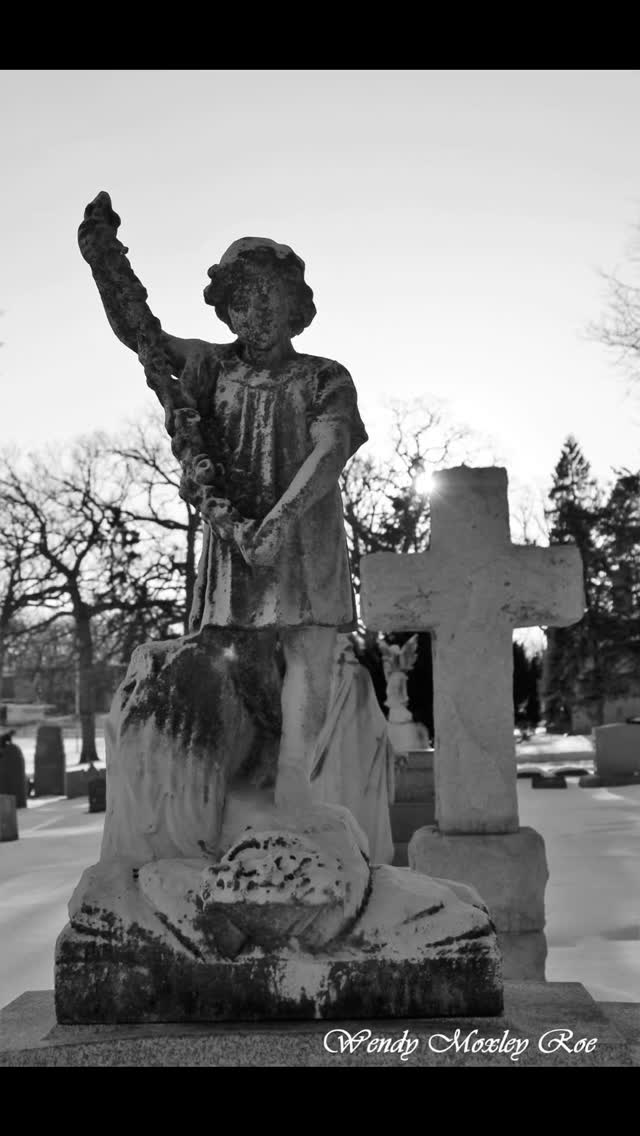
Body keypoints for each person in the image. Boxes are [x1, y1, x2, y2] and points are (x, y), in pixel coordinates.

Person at [78, 195, 368, 815]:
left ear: (296, 306)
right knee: (235, 658)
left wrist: (279, 523)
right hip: (235, 538)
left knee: (309, 652)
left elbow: (332, 449)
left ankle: (294, 779)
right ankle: (240, 773)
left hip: (303, 536)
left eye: (268, 295)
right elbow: (143, 335)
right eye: (241, 299)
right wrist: (104, 263)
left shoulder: (324, 375)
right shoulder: (212, 367)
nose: (254, 311)